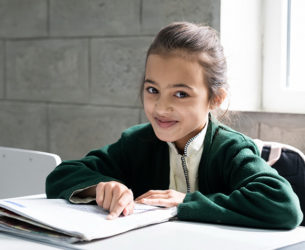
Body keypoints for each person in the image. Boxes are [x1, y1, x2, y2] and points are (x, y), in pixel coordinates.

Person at [46, 22, 303, 229]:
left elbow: (283, 207)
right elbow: (62, 175)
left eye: (180, 94)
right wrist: (102, 186)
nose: (160, 108)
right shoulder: (136, 142)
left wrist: (185, 203)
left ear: (215, 98)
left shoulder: (231, 149)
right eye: (152, 89)